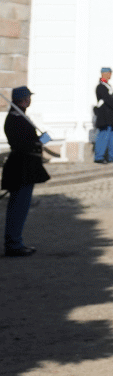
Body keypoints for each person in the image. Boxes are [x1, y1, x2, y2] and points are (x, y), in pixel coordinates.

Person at [3, 87, 50, 257]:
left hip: (24, 167)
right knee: (18, 207)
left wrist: (39, 140)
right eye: (28, 97)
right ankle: (14, 244)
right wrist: (41, 141)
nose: (30, 100)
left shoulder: (19, 117)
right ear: (23, 100)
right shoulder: (16, 119)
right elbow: (24, 144)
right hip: (21, 168)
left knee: (19, 206)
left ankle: (15, 242)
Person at [93, 67, 113, 164]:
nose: (111, 75)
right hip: (104, 116)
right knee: (103, 136)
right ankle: (99, 157)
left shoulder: (108, 86)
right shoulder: (101, 87)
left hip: (112, 116)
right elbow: (108, 100)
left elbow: (111, 98)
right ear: (104, 74)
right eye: (109, 73)